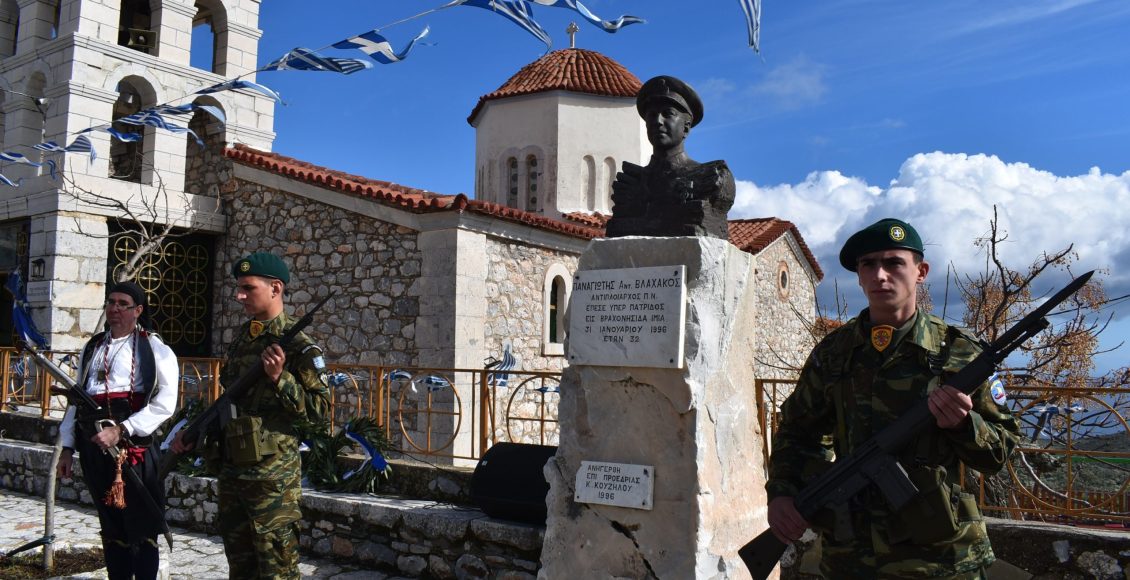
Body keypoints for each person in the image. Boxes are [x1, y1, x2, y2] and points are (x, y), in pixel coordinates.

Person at [765, 218, 1021, 578]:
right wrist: (782, 493)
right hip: (850, 558)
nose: (880, 275)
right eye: (868, 265)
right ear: (858, 275)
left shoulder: (961, 353)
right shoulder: (834, 353)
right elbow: (797, 432)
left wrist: (965, 425)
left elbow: (1001, 451)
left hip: (942, 559)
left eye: (893, 262)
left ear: (921, 271)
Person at [172, 252, 329, 579]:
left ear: (275, 288)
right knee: (240, 568)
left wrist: (280, 379)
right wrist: (194, 431)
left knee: (277, 571)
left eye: (248, 288)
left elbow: (320, 413)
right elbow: (230, 399)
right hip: (234, 471)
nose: (238, 295)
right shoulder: (245, 336)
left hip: (272, 481)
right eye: (238, 287)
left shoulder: (300, 346)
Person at [58, 281, 179, 580]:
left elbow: (166, 402)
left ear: (138, 310)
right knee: (111, 527)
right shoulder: (92, 347)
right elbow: (77, 401)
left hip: (135, 447)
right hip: (95, 447)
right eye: (110, 302)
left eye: (122, 303)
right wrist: (66, 446)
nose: (114, 308)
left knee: (143, 527)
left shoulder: (155, 348)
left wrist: (124, 429)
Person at [606, 75, 735, 239]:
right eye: (652, 115)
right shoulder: (629, 184)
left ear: (686, 128)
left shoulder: (711, 177)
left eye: (668, 114)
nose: (657, 121)